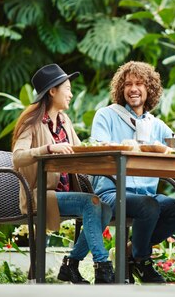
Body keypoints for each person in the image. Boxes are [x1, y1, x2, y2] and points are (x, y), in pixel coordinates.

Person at [12, 64, 114, 284]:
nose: (71, 93)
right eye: (67, 88)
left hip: (66, 194)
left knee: (105, 208)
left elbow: (79, 151)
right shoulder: (31, 122)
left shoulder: (64, 122)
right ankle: (103, 267)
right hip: (41, 195)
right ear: (52, 91)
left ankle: (71, 265)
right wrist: (47, 149)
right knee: (92, 203)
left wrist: (99, 148)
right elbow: (17, 157)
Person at [91, 61, 175, 283]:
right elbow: (97, 145)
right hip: (111, 192)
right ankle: (142, 261)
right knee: (149, 205)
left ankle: (131, 252)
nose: (133, 89)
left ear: (150, 89)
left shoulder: (154, 123)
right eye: (128, 84)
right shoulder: (107, 115)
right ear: (121, 89)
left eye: (139, 84)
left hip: (146, 195)